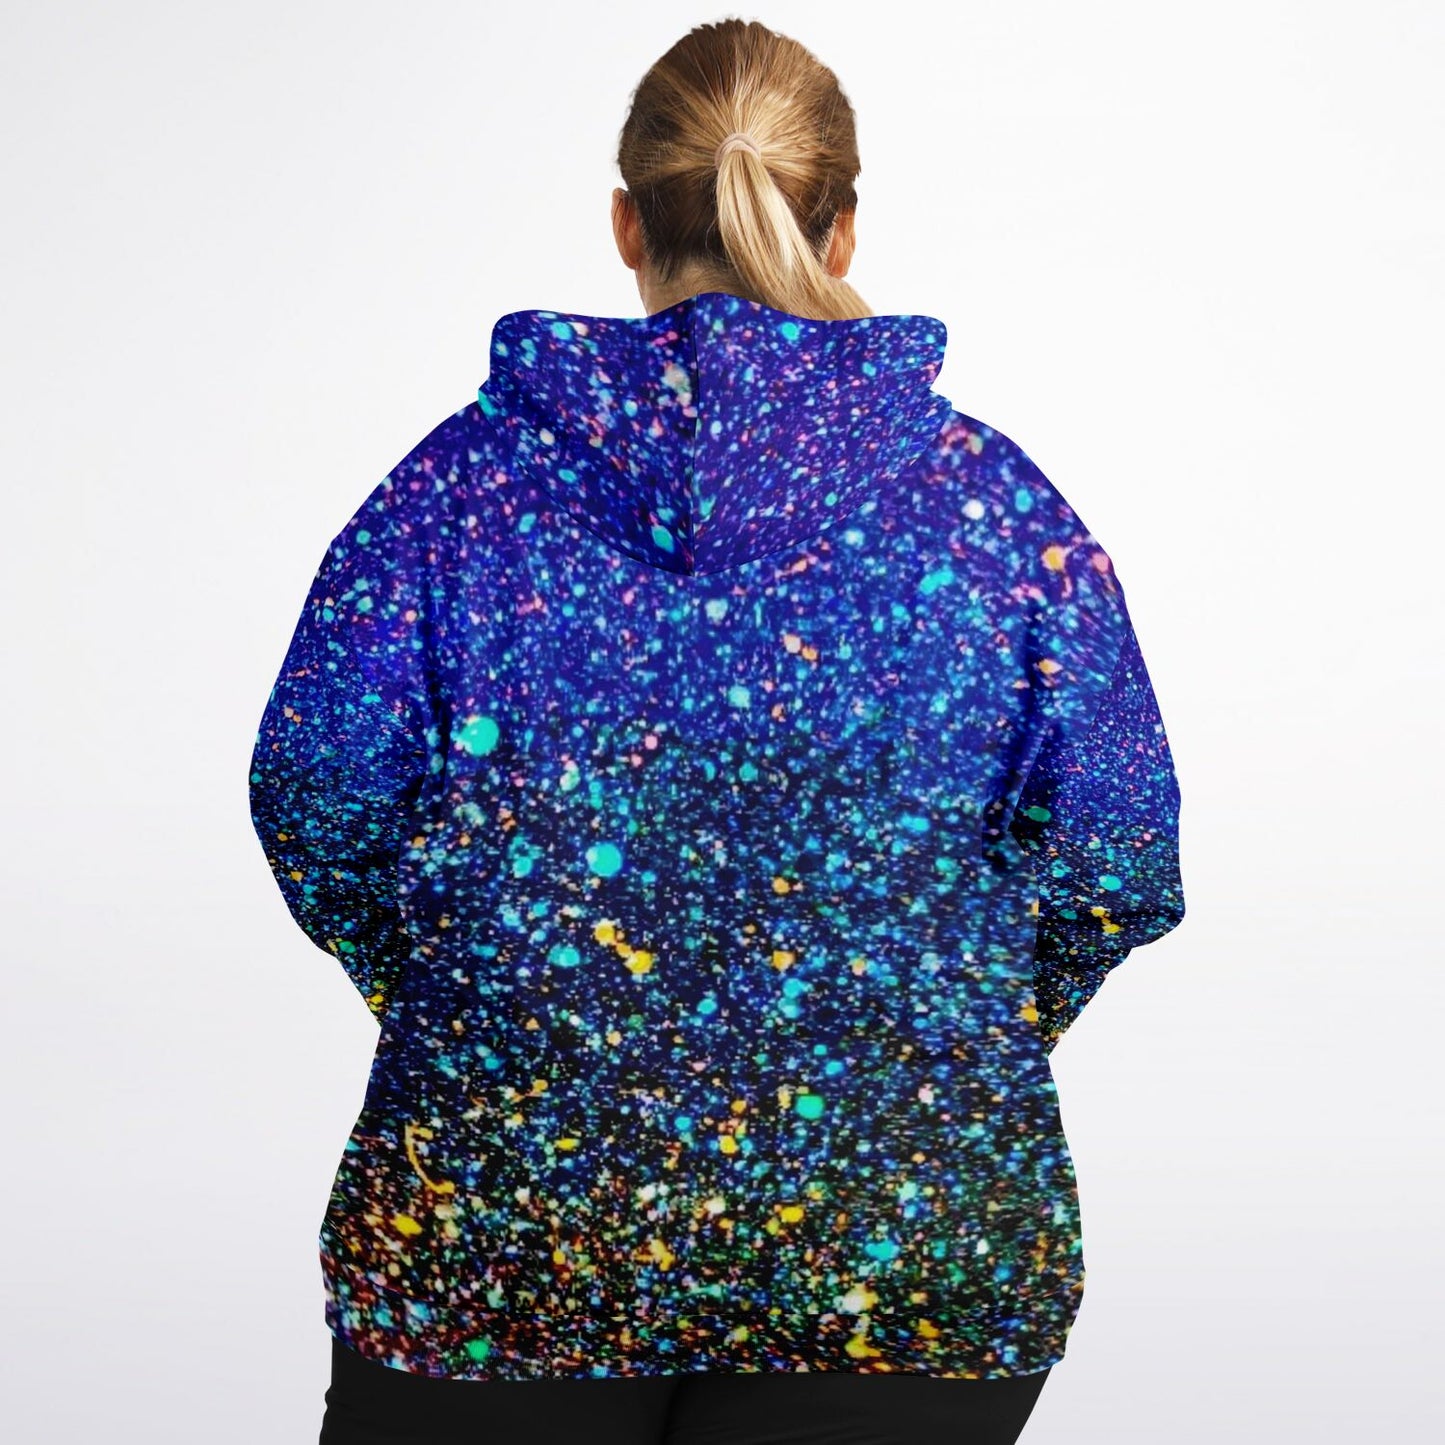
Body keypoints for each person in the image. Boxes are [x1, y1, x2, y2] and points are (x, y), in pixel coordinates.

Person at [247, 16, 1185, 1445]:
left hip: (503, 1232)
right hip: (904, 1240)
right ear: (842, 227)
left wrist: (481, 997)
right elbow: (1118, 857)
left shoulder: (450, 494)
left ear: (628, 222)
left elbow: (318, 795)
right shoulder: (1000, 517)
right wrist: (941, 1028)